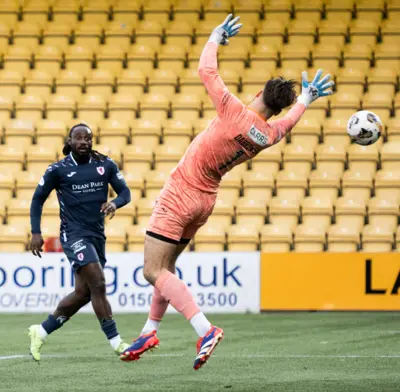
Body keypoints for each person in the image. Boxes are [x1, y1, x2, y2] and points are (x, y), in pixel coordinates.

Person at [120, 14, 334, 369]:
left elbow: (208, 72)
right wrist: (306, 100)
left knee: (152, 271)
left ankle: (204, 329)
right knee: (168, 267)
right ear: (277, 107)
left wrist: (215, 37)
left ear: (257, 94)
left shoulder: (234, 111)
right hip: (205, 201)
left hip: (181, 193)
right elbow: (288, 124)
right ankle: (149, 330)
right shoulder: (267, 135)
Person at [27, 123, 132, 361]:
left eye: (88, 138)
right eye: (78, 138)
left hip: (97, 235)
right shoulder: (58, 170)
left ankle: (41, 331)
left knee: (84, 292)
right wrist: (36, 232)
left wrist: (115, 203)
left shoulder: (105, 165)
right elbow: (37, 200)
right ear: (70, 141)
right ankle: (116, 342)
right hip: (73, 234)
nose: (83, 142)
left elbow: (125, 192)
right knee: (99, 282)